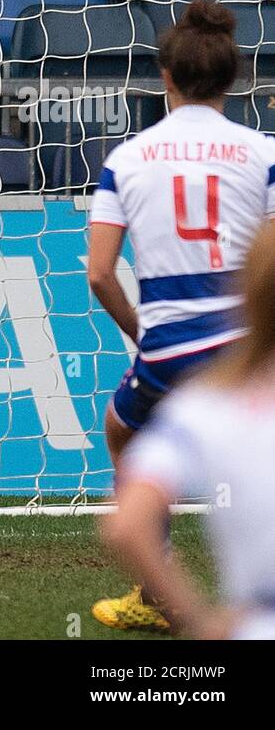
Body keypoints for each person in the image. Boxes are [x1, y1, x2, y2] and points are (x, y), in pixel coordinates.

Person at [86, 0, 275, 630]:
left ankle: (156, 591)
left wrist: (145, 334)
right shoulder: (263, 151)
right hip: (249, 342)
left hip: (169, 347)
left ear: (165, 77)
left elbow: (99, 272)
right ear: (235, 77)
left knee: (122, 431)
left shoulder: (127, 158)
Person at [101, 221, 275, 640]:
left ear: (246, 297)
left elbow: (126, 526)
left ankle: (153, 601)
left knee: (120, 426)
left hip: (257, 623)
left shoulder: (202, 410)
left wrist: (201, 621)